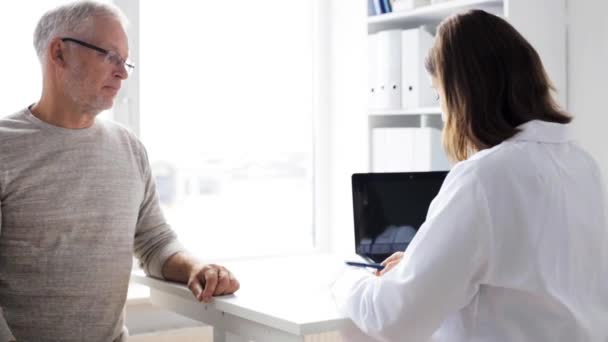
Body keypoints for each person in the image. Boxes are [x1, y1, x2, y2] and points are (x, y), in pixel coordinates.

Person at [332, 9, 608, 342]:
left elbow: (393, 318)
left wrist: (346, 280)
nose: (442, 110)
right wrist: (424, 260)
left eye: (438, 94)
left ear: (463, 94)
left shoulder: (482, 177)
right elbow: (536, 273)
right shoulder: (582, 163)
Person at [0, 1, 239, 341]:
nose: (123, 73)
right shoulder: (4, 148)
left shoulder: (128, 148)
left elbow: (155, 242)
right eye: (109, 55)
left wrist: (194, 267)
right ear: (58, 53)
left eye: (125, 61)